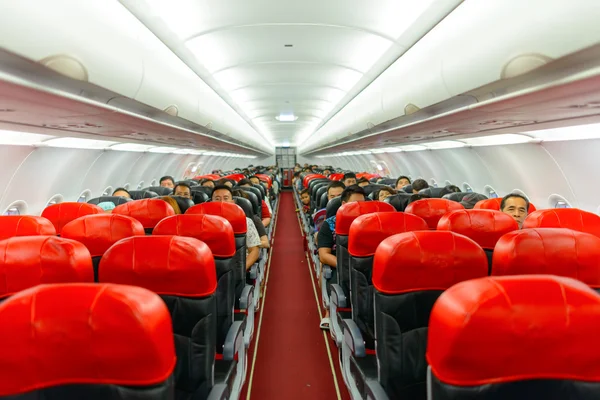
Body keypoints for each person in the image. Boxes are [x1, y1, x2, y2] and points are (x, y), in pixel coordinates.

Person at [317, 185, 366, 330]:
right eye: (355, 204)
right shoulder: (330, 224)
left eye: (363, 204)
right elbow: (324, 255)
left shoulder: (372, 223)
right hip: (341, 266)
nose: (360, 207)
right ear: (344, 204)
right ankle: (329, 312)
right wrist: (348, 266)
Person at [212, 185, 260, 269]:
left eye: (226, 198)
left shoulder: (245, 221)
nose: (222, 202)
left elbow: (254, 251)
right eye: (217, 199)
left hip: (238, 266)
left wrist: (241, 271)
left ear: (232, 202)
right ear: (211, 202)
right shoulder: (205, 223)